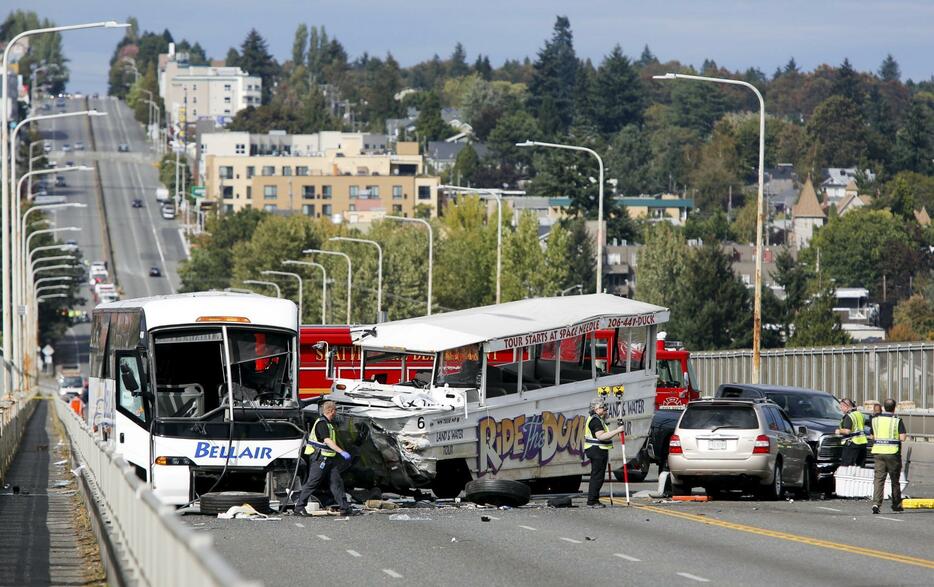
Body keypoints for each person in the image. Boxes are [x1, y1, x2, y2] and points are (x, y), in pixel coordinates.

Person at [293, 401, 353, 516]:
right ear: (331, 411)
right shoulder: (322, 423)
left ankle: (345, 508)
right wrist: (341, 451)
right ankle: (299, 508)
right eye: (335, 410)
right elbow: (327, 440)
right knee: (312, 483)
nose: (336, 413)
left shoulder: (328, 423)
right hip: (320, 458)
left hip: (329, 459)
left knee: (336, 482)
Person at [584, 398, 625, 507]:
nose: (605, 409)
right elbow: (601, 436)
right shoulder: (595, 420)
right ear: (596, 409)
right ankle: (592, 501)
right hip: (597, 450)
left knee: (597, 476)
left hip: (597, 450)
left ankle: (593, 499)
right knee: (597, 477)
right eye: (602, 407)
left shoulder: (596, 418)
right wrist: (617, 431)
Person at [870, 398, 907, 514]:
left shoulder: (875, 420)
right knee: (895, 480)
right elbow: (903, 437)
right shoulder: (897, 421)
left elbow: (872, 436)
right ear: (894, 408)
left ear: (884, 407)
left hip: (878, 452)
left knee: (879, 479)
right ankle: (896, 504)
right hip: (892, 453)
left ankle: (876, 503)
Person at [835, 398, 867, 467]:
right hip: (862, 443)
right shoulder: (860, 414)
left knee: (846, 466)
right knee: (860, 467)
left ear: (846, 406)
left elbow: (847, 431)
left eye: (841, 407)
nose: (841, 409)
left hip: (852, 444)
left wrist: (838, 431)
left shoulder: (849, 416)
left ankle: (846, 478)